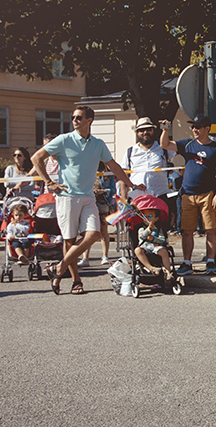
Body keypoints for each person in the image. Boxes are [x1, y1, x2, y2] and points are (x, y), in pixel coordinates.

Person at [31, 106, 141, 295]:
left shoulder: (98, 143)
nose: (75, 120)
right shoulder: (64, 139)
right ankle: (76, 281)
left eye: (79, 117)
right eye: (73, 117)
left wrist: (130, 183)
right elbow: (36, 158)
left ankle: (58, 267)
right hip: (67, 197)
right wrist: (50, 183)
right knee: (70, 239)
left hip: (88, 196)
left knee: (94, 234)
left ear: (89, 120)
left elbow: (113, 166)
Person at [160, 114, 216, 276]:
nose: (194, 130)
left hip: (207, 195)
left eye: (198, 127)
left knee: (211, 229)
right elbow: (165, 144)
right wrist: (166, 129)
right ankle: (187, 263)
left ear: (206, 129)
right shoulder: (187, 144)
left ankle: (210, 262)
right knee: (187, 230)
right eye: (193, 127)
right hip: (187, 195)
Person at [80, 163, 115, 266]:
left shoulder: (107, 174)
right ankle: (85, 258)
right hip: (89, 204)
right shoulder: (85, 171)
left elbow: (113, 190)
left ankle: (105, 256)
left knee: (104, 231)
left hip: (103, 204)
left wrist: (102, 191)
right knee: (87, 232)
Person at [134, 208, 173, 280]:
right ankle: (151, 268)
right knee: (137, 250)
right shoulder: (141, 229)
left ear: (156, 219)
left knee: (164, 251)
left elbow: (162, 240)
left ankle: (168, 272)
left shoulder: (158, 230)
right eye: (145, 216)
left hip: (155, 247)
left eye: (150, 217)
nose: (146, 218)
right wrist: (149, 229)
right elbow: (142, 236)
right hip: (144, 246)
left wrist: (154, 239)